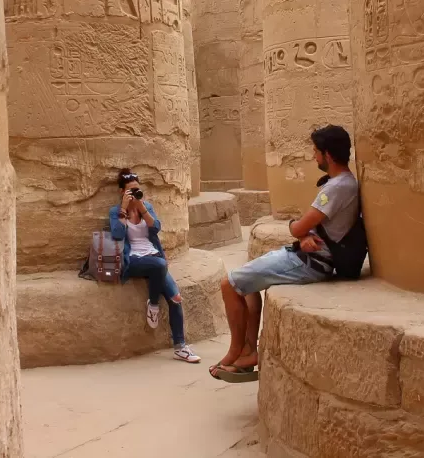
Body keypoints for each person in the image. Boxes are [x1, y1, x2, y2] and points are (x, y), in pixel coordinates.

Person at [209, 125, 359, 382]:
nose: (314, 156)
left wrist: (297, 230)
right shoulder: (343, 183)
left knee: (228, 285)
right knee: (246, 284)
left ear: (328, 155)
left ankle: (236, 350)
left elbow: (298, 226)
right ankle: (247, 352)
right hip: (307, 253)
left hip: (310, 262)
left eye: (315, 151)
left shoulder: (337, 188)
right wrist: (302, 234)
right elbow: (307, 229)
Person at [109, 168, 201, 363]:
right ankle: (153, 304)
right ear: (122, 192)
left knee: (176, 297)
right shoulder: (116, 212)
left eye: (137, 189)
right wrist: (124, 209)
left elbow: (156, 227)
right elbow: (117, 235)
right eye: (130, 191)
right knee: (160, 264)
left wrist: (141, 208)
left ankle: (180, 346)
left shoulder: (146, 206)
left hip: (153, 257)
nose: (135, 194)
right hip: (133, 260)